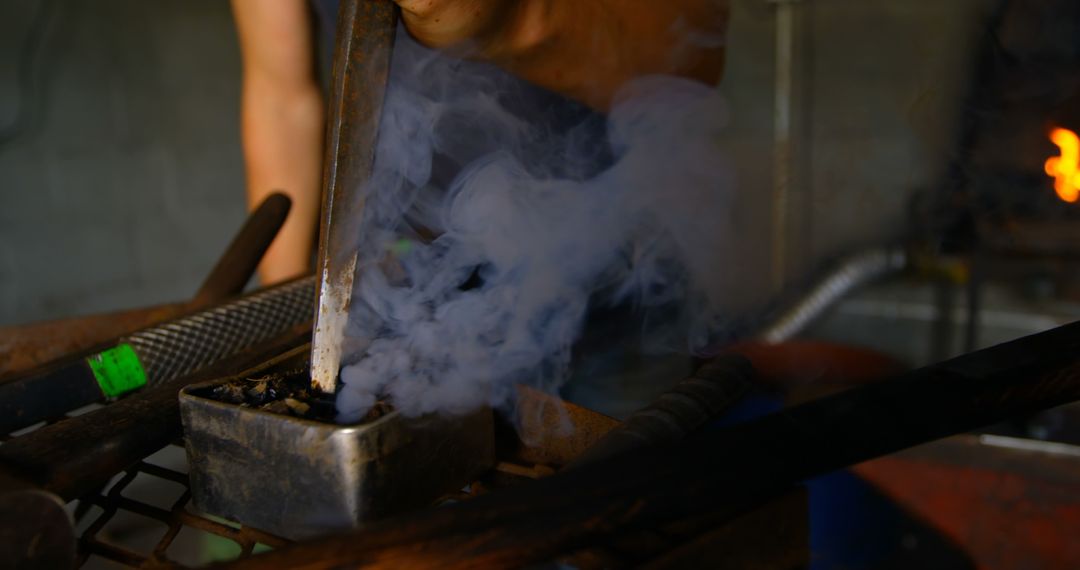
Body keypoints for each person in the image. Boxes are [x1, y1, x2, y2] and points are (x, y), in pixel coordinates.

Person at [231, 0, 730, 284]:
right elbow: (283, 95)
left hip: (613, 266)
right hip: (397, 272)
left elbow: (692, 62)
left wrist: (512, 20)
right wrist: (287, 299)